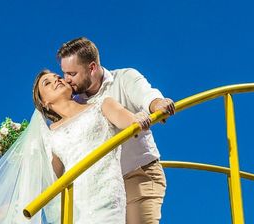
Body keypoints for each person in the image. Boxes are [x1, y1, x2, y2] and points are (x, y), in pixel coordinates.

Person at [58, 37, 175, 224]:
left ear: (92, 67)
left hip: (138, 174)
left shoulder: (124, 78)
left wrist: (157, 104)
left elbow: (146, 95)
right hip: (102, 189)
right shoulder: (76, 102)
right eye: (64, 73)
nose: (67, 80)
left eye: (72, 73)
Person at [33, 70, 152, 224]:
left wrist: (137, 118)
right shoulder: (51, 135)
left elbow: (128, 121)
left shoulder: (102, 104)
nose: (56, 80)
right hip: (77, 206)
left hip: (107, 195)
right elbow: (49, 179)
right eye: (47, 83)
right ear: (44, 103)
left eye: (57, 77)